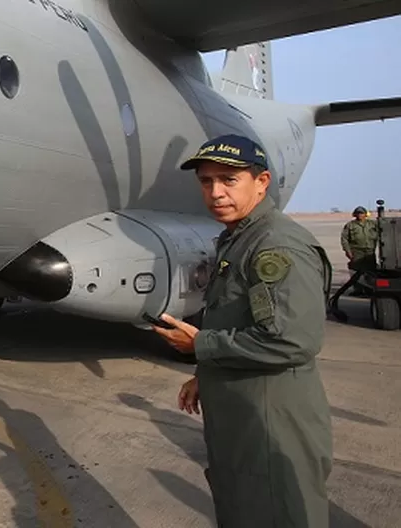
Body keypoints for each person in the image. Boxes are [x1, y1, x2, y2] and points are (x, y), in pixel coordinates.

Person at [150, 134, 334, 528]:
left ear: (262, 181)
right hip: (243, 415)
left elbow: (294, 340)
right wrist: (204, 373)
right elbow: (237, 318)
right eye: (206, 181)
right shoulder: (238, 237)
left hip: (271, 425)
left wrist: (200, 344)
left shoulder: (276, 246)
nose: (215, 192)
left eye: (229, 180)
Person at [341, 206, 379, 294]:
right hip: (356, 251)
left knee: (370, 270)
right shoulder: (350, 225)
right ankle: (358, 289)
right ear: (355, 214)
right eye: (358, 213)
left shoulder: (372, 224)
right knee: (356, 270)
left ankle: (369, 289)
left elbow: (381, 232)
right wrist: (348, 251)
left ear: (365, 215)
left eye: (362, 213)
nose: (360, 215)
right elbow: (344, 239)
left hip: (370, 251)